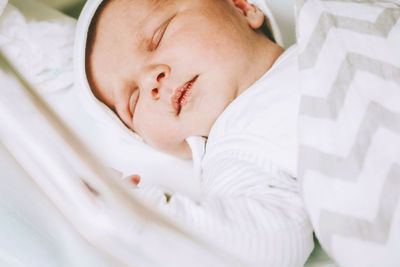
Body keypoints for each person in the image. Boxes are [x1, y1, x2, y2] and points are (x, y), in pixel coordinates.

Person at [75, 0, 314, 266]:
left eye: (159, 36)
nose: (149, 81)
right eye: (133, 101)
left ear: (243, 7)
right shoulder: (237, 153)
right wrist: (139, 210)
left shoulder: (319, 25)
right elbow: (261, 245)